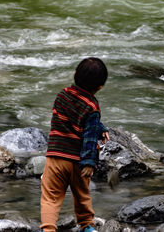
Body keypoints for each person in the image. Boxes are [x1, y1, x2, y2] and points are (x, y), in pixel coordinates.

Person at [40, 57, 110, 232]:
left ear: (74, 74)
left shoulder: (62, 95)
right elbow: (88, 135)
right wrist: (89, 162)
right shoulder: (92, 106)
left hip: (56, 157)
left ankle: (48, 229)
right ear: (100, 87)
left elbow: (75, 117)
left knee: (51, 197)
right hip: (78, 161)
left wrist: (98, 126)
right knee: (82, 194)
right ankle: (87, 225)